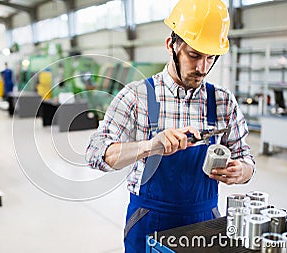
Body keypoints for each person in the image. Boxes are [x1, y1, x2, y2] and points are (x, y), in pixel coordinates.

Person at [85, 0, 255, 252]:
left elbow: (246, 159)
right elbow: (96, 154)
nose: (202, 68)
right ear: (171, 45)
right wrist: (149, 146)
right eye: (194, 55)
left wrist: (241, 171)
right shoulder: (136, 96)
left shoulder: (222, 101)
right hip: (149, 220)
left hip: (204, 223)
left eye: (211, 58)